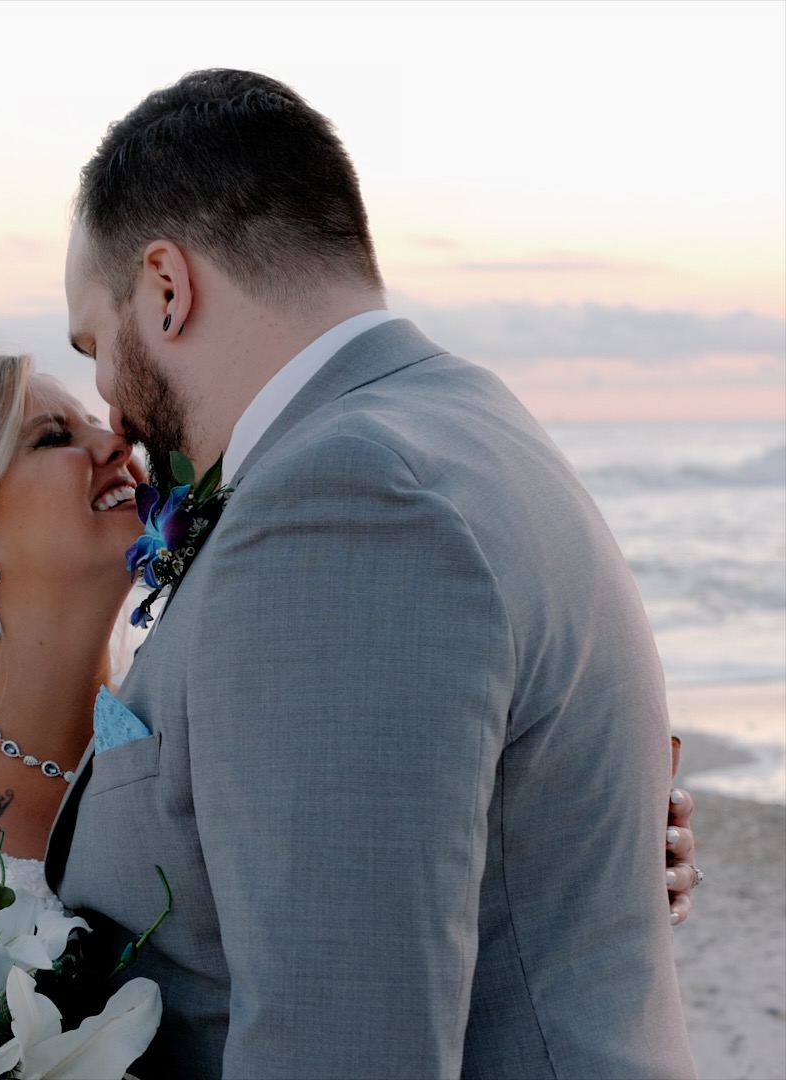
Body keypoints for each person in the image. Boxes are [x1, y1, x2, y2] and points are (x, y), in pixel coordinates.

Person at [0, 353, 701, 1048]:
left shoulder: (185, 713)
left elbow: (363, 893)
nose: (116, 443)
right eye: (56, 435)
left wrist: (589, 849)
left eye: (99, 420)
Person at [49, 69, 696, 1077]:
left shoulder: (342, 504)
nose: (108, 405)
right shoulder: (471, 423)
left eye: (94, 342)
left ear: (167, 290)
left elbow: (343, 1041)